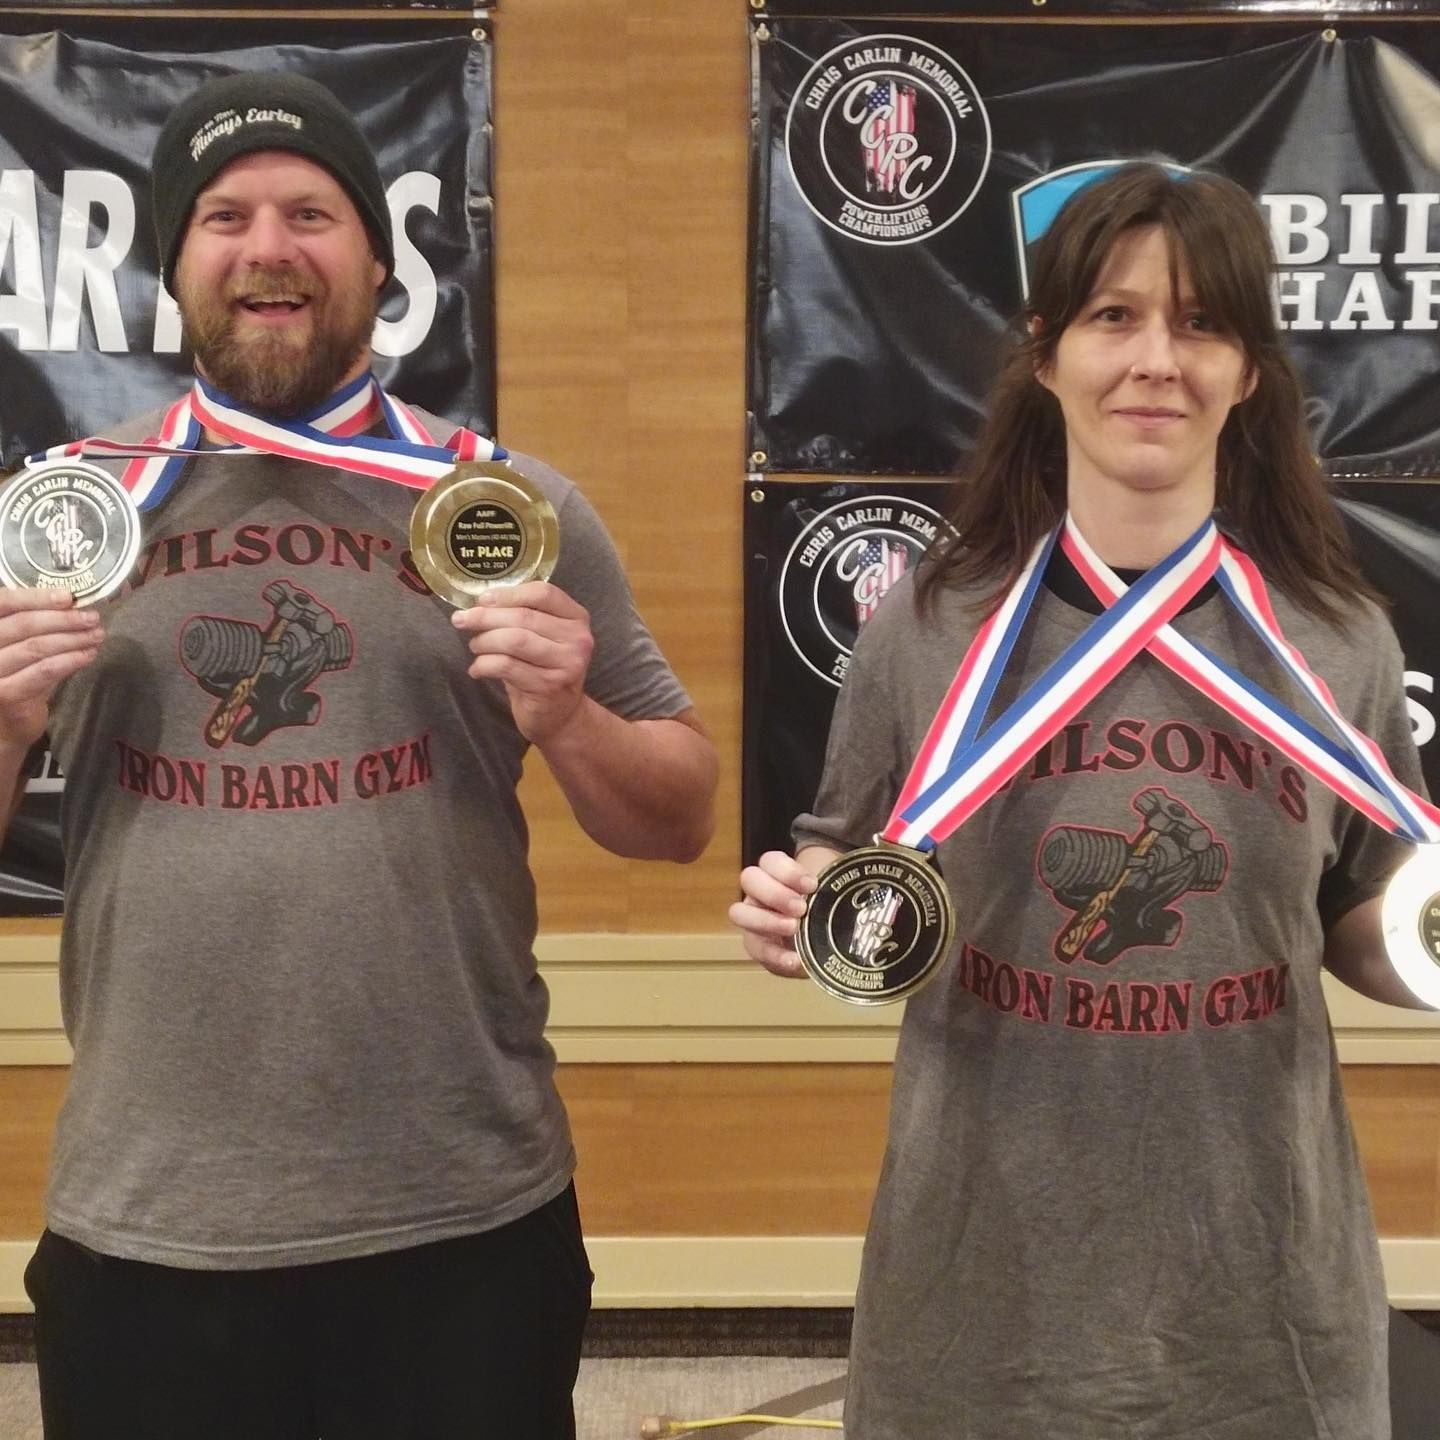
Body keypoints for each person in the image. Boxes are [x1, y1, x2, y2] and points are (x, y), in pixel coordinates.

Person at [6, 71, 717, 1439]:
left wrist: (568, 715)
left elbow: (679, 816)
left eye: (309, 212)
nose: (267, 247)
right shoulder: (63, 516)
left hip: (459, 1212)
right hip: (152, 1224)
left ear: (380, 263)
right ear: (178, 266)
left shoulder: (505, 505)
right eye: (224, 216)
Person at [731, 162, 1435, 1439]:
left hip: (1261, 1310)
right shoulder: (928, 629)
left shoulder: (1340, 643)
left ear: (1250, 374)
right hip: (982, 1309)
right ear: (1045, 357)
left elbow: (1362, 916)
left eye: (1200, 322)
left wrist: (1426, 954)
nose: (1155, 359)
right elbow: (850, 875)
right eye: (1113, 317)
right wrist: (803, 921)